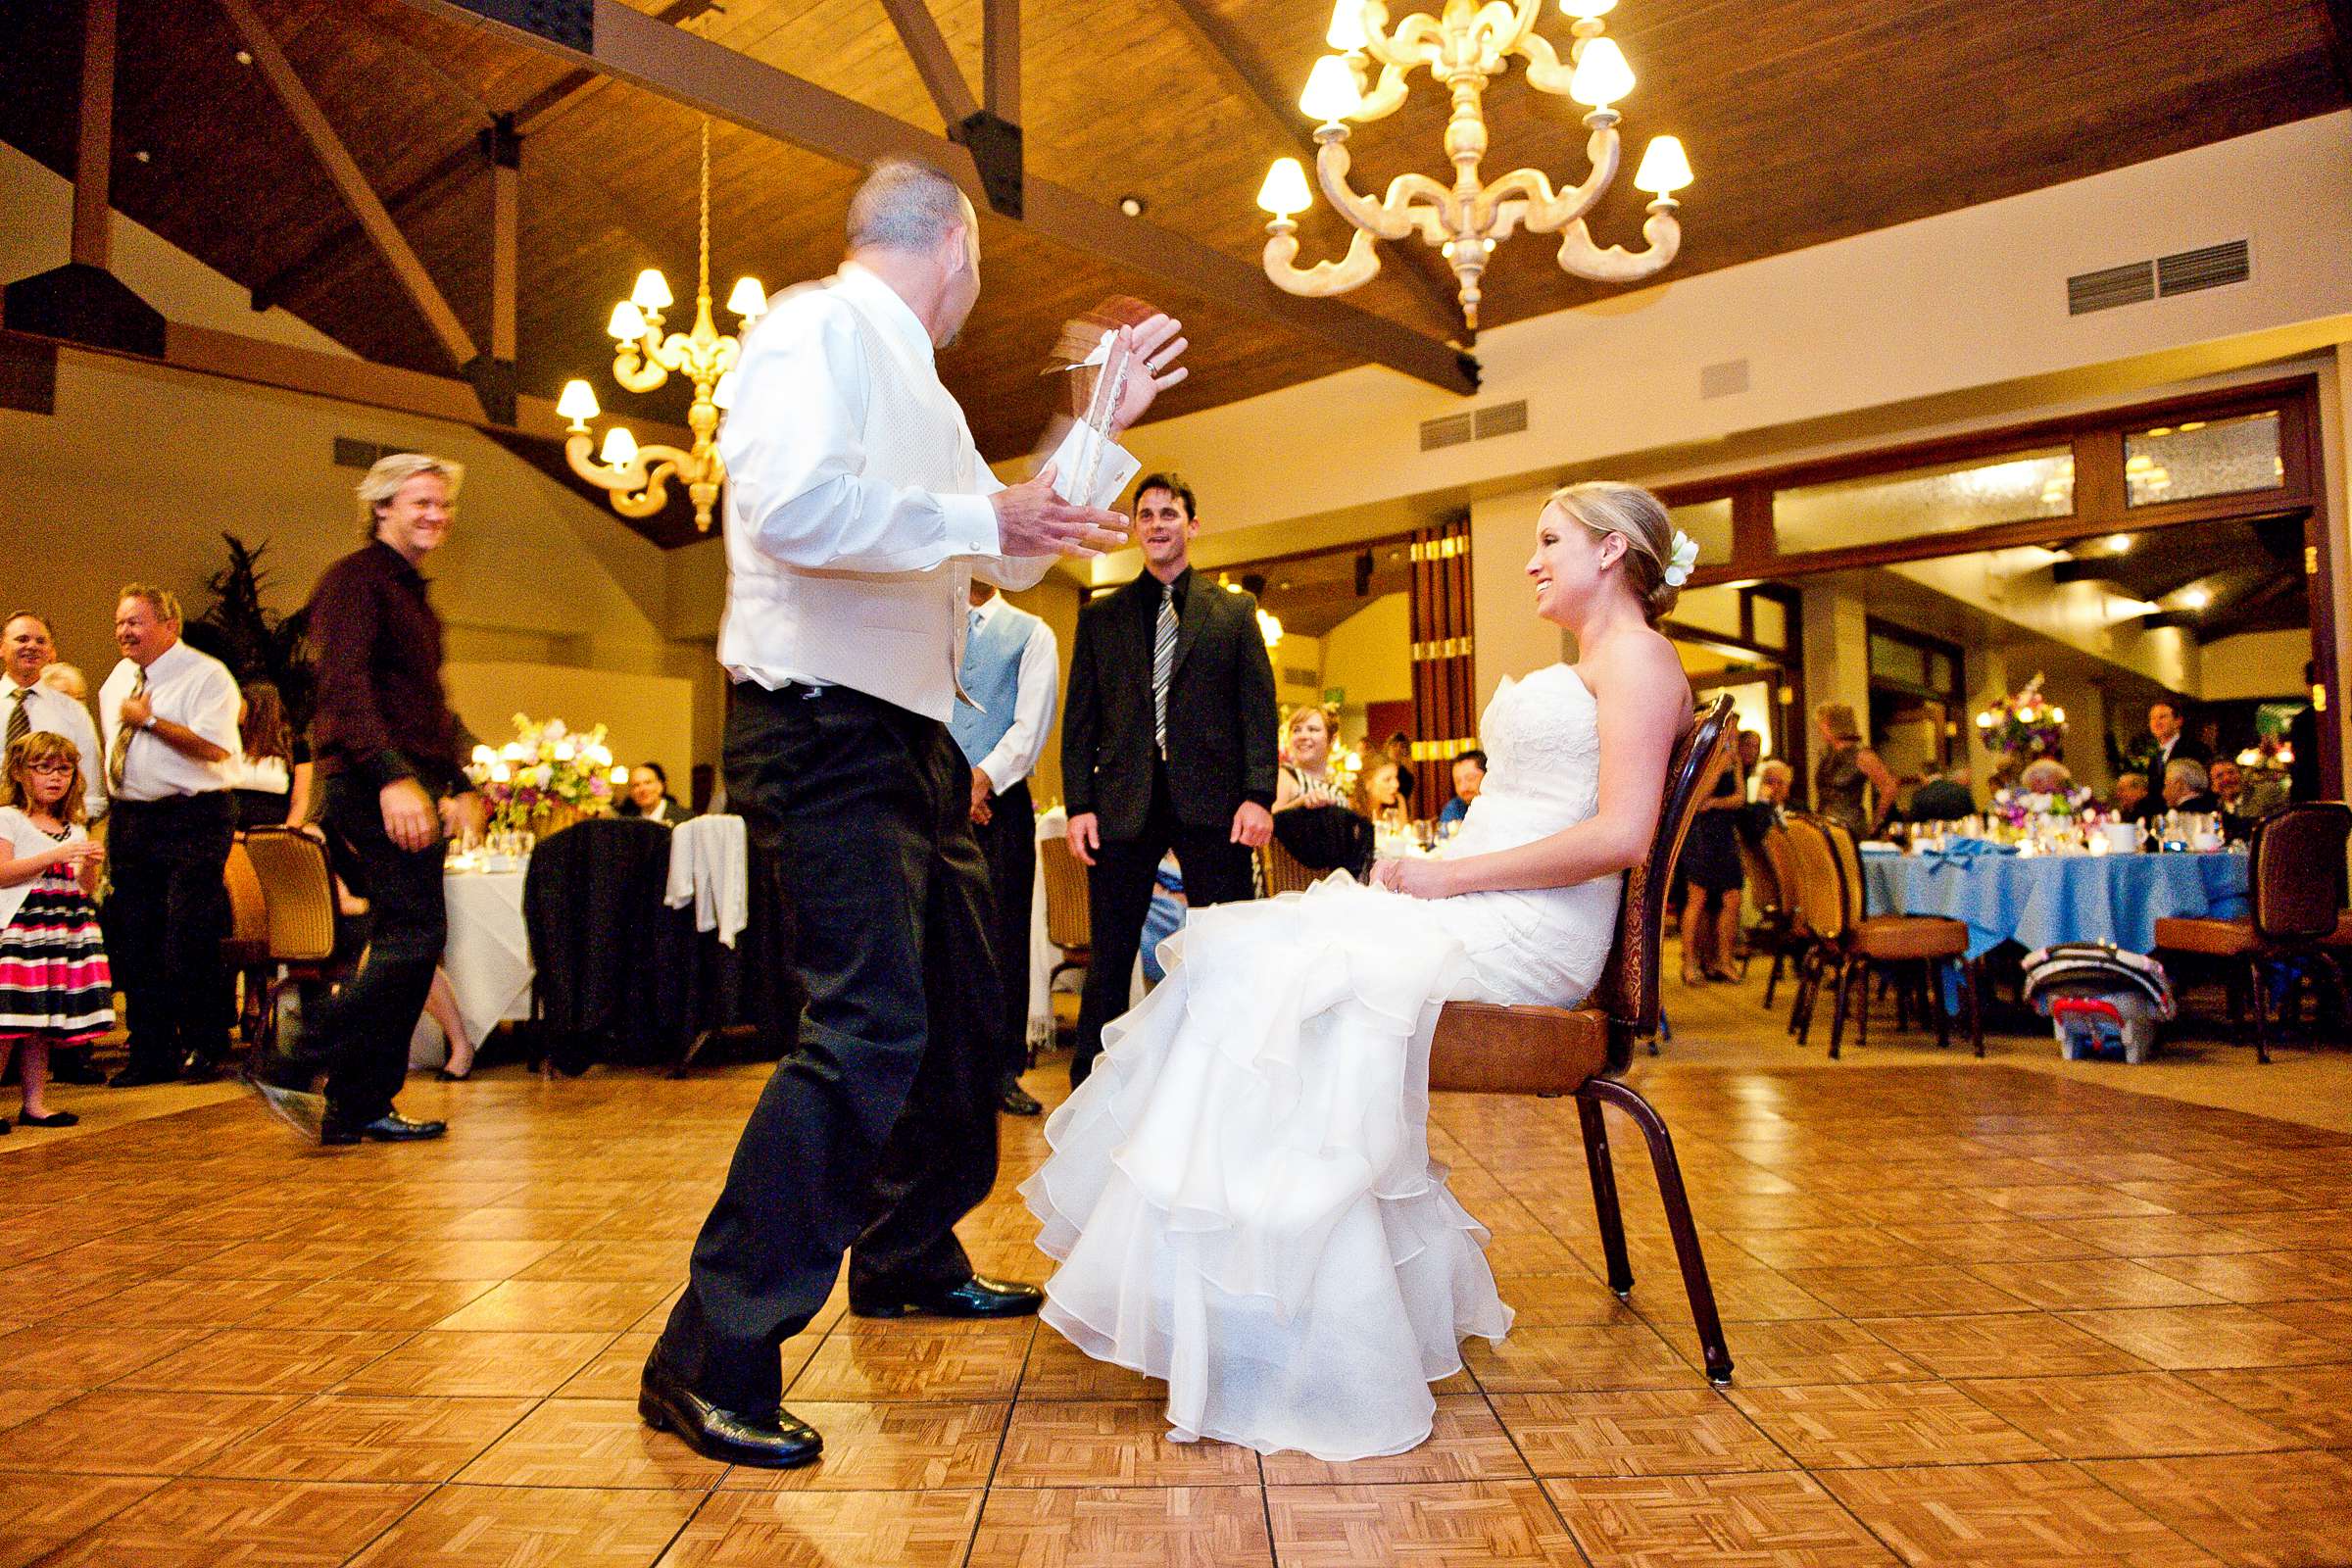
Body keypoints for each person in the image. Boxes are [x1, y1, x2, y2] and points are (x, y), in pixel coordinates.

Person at [637, 158, 1190, 1472]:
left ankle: (903, 1250)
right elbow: (785, 508)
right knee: (868, 1030)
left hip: (911, 733)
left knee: (959, 1009)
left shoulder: (920, 387)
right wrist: (976, 507)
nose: (977, 289)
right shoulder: (809, 329)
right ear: (953, 243)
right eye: (980, 267)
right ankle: (709, 1352)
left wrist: (1096, 417)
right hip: (823, 727)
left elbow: (1009, 549)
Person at [1026, 480, 1696, 1461]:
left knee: (1273, 974)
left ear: (1610, 551)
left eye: (1550, 540)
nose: (1532, 558)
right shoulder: (1600, 656)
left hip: (1530, 938)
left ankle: (1284, 1310)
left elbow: (1622, 833)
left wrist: (1447, 878)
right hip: (1488, 908)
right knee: (1243, 961)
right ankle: (1249, 1297)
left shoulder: (1637, 658)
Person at [247, 453, 481, 1147]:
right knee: (415, 934)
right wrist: (391, 777)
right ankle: (298, 1046)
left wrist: (460, 782)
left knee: (411, 936)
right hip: (370, 780)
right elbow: (343, 690)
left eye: (443, 505)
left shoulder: (409, 591)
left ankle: (355, 1103)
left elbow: (423, 705)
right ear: (382, 508)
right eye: (421, 503)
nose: (436, 515)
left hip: (404, 774)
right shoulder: (354, 581)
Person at [1062, 471, 1277, 1090]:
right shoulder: (1100, 619)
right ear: (1134, 527)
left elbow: (1256, 709)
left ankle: (1230, 1074)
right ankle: (1090, 1086)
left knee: (1224, 945)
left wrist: (1258, 794)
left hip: (1214, 802)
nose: (1157, 524)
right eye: (1146, 514)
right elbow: (1081, 721)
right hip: (1123, 804)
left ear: (1192, 524)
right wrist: (1080, 804)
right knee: (1109, 955)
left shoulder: (1232, 611)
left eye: (1169, 513)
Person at [99, 583, 241, 1087]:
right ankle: (150, 1049)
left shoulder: (206, 676)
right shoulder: (118, 678)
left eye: (135, 621)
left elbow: (217, 750)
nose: (123, 631)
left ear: (168, 625)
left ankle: (204, 1043)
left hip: (193, 816)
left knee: (188, 932)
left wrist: (153, 721)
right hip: (132, 818)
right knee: (135, 936)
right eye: (119, 622)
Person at [950, 577, 1059, 1117]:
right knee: (936, 939)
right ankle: (941, 1073)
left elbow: (1031, 725)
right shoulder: (927, 624)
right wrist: (948, 785)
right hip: (932, 801)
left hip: (1003, 804)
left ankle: (1001, 1072)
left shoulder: (1032, 633)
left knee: (1002, 941)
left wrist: (982, 779)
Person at [0, 731, 110, 1131]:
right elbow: (2, 872)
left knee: (39, 1023)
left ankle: (34, 1103)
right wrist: (55, 854)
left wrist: (92, 862)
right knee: (7, 1022)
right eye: (43, 768)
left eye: (63, 769)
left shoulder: (74, 828)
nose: (54, 777)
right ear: (20, 772)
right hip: (21, 929)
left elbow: (84, 887)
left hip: (60, 930)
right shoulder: (9, 818)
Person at [4, 613, 106, 825]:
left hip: (55, 836)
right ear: (2, 647)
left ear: (50, 651)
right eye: (22, 639)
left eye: (40, 641)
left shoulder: (73, 711)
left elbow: (91, 793)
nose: (32, 646)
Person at [1677, 738, 1743, 984]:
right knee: (1698, 897)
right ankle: (1690, 962)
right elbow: (1693, 800)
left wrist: (1715, 803)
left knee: (1733, 897)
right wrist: (1716, 770)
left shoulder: (1733, 759)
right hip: (1700, 834)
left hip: (1724, 832)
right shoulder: (1698, 757)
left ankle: (1724, 961)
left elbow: (1739, 798)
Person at [1812, 701, 1897, 838]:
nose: (1820, 728)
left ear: (1835, 724)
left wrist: (1876, 822)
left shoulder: (1862, 755)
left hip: (1850, 829)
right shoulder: (1826, 754)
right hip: (1824, 827)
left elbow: (1889, 787)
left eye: (1823, 723)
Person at [223, 680, 301, 828]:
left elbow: (300, 799)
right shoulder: (230, 739)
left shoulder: (293, 745)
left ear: (257, 709)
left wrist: (287, 832)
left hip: (273, 832)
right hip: (231, 831)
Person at [1273, 704, 1346, 811]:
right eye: (1296, 730)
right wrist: (1299, 804)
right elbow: (1267, 822)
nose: (1303, 736)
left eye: (1312, 729)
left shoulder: (1336, 791)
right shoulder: (1285, 776)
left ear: (1332, 740)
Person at [2134, 698, 2208, 780]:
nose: (2156, 722)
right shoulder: (2152, 754)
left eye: (2162, 717)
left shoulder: (2195, 748)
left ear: (2178, 721)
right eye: (2153, 718)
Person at [617, 762, 692, 825]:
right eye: (636, 785)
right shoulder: (627, 822)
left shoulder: (685, 819)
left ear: (661, 787)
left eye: (648, 783)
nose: (642, 789)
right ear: (631, 793)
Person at [1437, 750, 1487, 828]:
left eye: (1470, 778)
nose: (1463, 788)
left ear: (1487, 777)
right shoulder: (1454, 808)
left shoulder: (1503, 806)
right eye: (1458, 782)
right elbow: (1443, 837)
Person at [1356, 757, 1410, 830]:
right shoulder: (1354, 816)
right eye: (1387, 780)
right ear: (1368, 783)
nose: (1396, 784)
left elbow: (1403, 837)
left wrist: (1401, 802)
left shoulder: (1396, 804)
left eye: (1396, 777)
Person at [1909, 765, 1973, 823]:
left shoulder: (1920, 796)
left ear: (1923, 776)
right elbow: (1971, 818)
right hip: (1960, 833)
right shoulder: (1963, 791)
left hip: (1932, 834)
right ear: (1939, 773)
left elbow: (1917, 825)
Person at [1384, 732, 1419, 808]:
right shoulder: (1380, 771)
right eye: (1394, 745)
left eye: (1401, 747)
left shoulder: (1407, 776)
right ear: (1388, 747)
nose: (1397, 750)